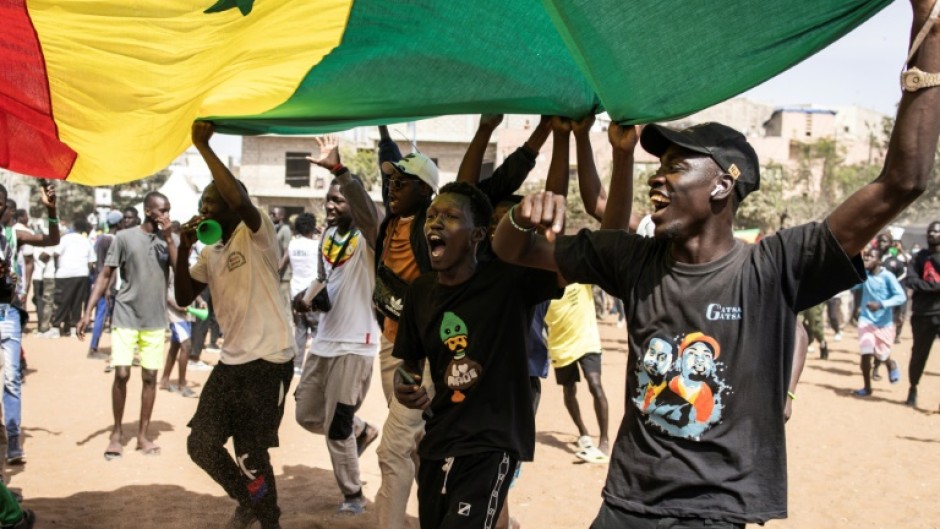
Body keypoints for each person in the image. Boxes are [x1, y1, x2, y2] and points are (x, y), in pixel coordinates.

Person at [492, 6, 940, 521]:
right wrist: (522, 220)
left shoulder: (773, 268)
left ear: (723, 185)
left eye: (676, 167)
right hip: (626, 507)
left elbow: (902, 182)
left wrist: (929, 33)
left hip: (716, 511)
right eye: (657, 168)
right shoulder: (633, 259)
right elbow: (514, 252)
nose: (656, 179)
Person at [375, 115, 551, 529]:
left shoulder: (506, 279)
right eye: (433, 216)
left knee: (459, 508)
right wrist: (406, 379)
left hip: (492, 434)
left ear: (478, 236)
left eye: (448, 217)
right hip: (441, 432)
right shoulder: (422, 287)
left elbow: (476, 188)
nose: (435, 222)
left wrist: (541, 133)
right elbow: (410, 364)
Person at [175, 122, 295, 529]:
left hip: (269, 358)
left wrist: (202, 147)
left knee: (250, 452)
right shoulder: (210, 252)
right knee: (201, 445)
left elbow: (238, 197)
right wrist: (182, 249)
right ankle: (253, 503)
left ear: (228, 204)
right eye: (203, 203)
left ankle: (268, 520)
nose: (205, 209)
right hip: (232, 362)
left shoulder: (255, 231)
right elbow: (184, 296)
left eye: (212, 202)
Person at [294, 136, 380, 515]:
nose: (330, 205)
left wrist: (340, 171)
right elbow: (322, 278)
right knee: (306, 413)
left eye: (338, 200)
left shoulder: (368, 238)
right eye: (328, 199)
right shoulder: (327, 236)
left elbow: (369, 212)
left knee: (336, 425)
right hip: (324, 342)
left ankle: (352, 495)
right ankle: (363, 431)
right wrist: (305, 297)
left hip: (356, 345)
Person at [77, 192, 174, 460]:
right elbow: (104, 275)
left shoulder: (169, 240)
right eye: (160, 210)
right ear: (147, 210)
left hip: (155, 318)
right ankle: (117, 433)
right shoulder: (124, 237)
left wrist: (169, 238)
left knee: (150, 377)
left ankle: (143, 435)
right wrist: (88, 311)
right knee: (121, 374)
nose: (165, 214)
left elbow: (179, 269)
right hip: (126, 314)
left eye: (167, 210)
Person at [0, 183, 58, 468]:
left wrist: (51, 210)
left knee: (12, 378)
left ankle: (13, 440)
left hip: (7, 313)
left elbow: (51, 240)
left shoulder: (14, 234)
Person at [852, 246, 907, 397]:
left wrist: (881, 304)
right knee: (866, 351)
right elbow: (852, 285)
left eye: (871, 257)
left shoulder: (887, 277)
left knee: (882, 354)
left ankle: (891, 364)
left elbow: (901, 297)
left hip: (884, 322)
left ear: (879, 260)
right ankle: (867, 387)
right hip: (866, 320)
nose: (867, 259)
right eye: (866, 256)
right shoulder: (864, 275)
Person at [904, 220, 940, 407]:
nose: (932, 234)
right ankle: (913, 388)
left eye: (936, 232)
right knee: (919, 353)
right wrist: (932, 287)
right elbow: (911, 280)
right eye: (930, 231)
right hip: (923, 313)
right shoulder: (919, 257)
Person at [44, 218, 95, 338]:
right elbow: (91, 261)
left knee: (62, 301)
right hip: (82, 273)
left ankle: (56, 327)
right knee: (77, 302)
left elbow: (56, 253)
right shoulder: (85, 240)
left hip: (64, 273)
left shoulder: (65, 238)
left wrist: (58, 267)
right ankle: (73, 328)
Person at [284, 213, 320, 375]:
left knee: (300, 329)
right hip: (312, 293)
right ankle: (316, 365)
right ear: (312, 227)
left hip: (295, 292)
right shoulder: (316, 245)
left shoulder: (292, 244)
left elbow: (281, 265)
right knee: (318, 330)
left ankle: (297, 366)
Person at [87, 210, 124, 359]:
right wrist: (109, 287)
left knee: (102, 315)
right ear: (119, 223)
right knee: (103, 316)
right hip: (109, 283)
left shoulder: (101, 238)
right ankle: (93, 348)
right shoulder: (114, 240)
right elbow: (112, 267)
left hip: (99, 279)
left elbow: (94, 262)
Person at [159, 267, 197, 398]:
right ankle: (182, 385)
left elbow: (194, 288)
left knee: (175, 346)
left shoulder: (189, 267)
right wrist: (177, 306)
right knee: (186, 345)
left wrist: (201, 301)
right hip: (175, 315)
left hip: (187, 315)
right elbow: (163, 291)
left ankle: (164, 379)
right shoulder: (169, 269)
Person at [270, 206, 293, 308]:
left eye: (274, 214)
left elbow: (287, 252)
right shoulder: (273, 229)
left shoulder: (285, 230)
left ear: (281, 216)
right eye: (271, 213)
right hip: (273, 272)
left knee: (285, 303)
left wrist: (279, 268)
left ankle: (290, 323)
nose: (271, 216)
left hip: (283, 274)